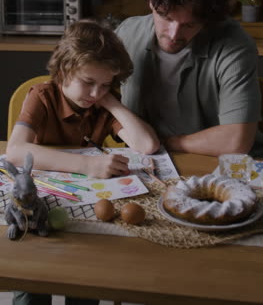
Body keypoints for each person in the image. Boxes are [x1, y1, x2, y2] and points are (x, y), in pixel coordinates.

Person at [7, 19, 160, 305]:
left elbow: (147, 145)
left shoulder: (102, 102)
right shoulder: (42, 96)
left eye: (105, 84)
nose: (95, 93)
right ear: (64, 71)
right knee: (32, 285)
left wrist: (110, 101)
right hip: (39, 204)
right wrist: (87, 166)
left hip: (83, 209)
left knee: (85, 284)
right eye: (88, 82)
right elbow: (15, 151)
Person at [116, 0, 263, 157]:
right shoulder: (126, 33)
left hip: (220, 161)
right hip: (148, 158)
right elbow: (85, 91)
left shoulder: (235, 46)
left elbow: (235, 141)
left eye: (189, 24)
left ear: (208, 19)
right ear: (151, 2)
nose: (174, 34)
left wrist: (165, 143)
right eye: (166, 18)